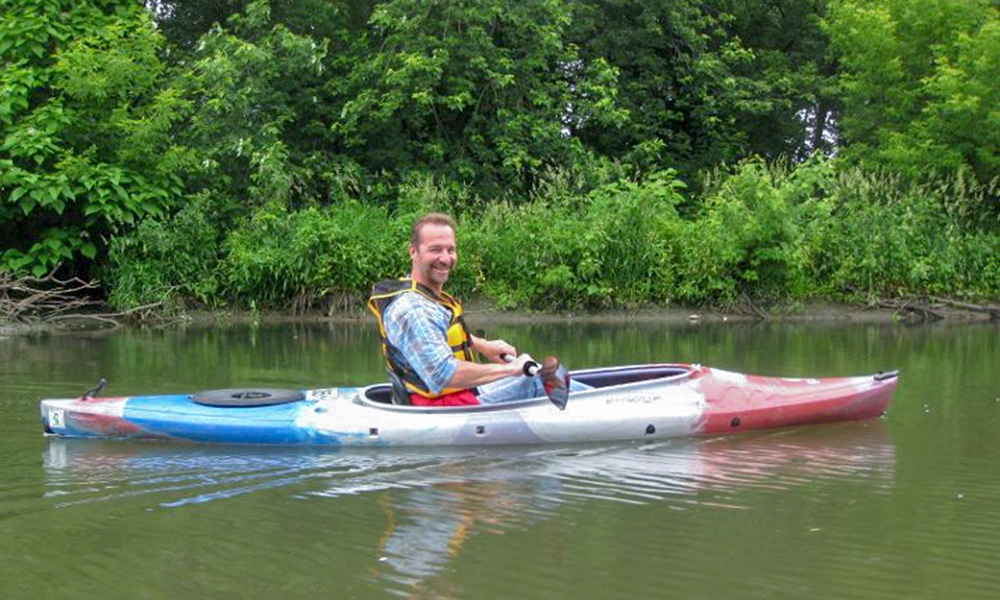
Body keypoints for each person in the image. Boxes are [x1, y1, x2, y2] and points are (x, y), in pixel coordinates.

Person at [368, 212, 576, 407]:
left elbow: (433, 336)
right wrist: (510, 368)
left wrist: (483, 345)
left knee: (533, 375)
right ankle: (602, 409)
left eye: (450, 249)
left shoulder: (422, 296)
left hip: (453, 396)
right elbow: (444, 374)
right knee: (535, 381)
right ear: (414, 252)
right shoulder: (414, 310)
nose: (445, 258)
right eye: (435, 249)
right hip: (443, 408)